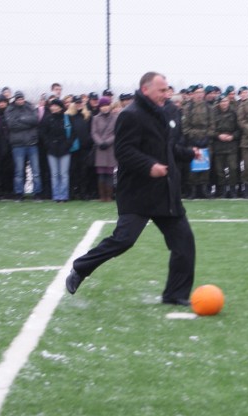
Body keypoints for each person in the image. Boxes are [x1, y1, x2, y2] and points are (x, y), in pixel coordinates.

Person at [66, 72, 201, 306]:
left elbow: (169, 148)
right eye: (161, 90)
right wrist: (149, 166)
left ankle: (175, 294)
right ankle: (80, 269)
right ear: (145, 89)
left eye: (167, 89)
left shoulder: (169, 112)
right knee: (124, 240)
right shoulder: (131, 115)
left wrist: (190, 153)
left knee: (184, 243)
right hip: (138, 192)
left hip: (165, 192)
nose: (166, 94)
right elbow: (124, 151)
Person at [5, 91, 43, 200]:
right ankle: (19, 193)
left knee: (36, 171)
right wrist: (27, 122)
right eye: (18, 99)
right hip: (18, 145)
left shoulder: (30, 107)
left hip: (32, 143)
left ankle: (37, 193)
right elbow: (11, 125)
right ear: (15, 99)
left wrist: (21, 119)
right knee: (19, 171)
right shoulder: (10, 109)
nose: (20, 101)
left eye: (21, 99)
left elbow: (35, 120)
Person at [40, 98, 74, 202]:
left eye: (55, 106)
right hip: (52, 150)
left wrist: (67, 144)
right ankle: (56, 196)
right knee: (54, 174)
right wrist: (48, 144)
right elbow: (43, 133)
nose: (53, 107)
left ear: (60, 107)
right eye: (52, 106)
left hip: (65, 150)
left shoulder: (67, 118)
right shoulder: (47, 119)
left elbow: (73, 133)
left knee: (64, 174)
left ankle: (64, 196)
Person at [212, 95, 241, 198]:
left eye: (226, 101)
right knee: (219, 170)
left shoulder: (234, 113)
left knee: (233, 168)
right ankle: (222, 190)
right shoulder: (213, 113)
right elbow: (210, 129)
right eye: (222, 101)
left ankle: (233, 189)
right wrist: (218, 135)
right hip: (218, 144)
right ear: (219, 103)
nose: (224, 103)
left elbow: (239, 129)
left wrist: (233, 136)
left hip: (231, 144)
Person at [91, 97, 118, 201]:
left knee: (110, 173)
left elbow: (116, 132)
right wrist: (100, 142)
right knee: (101, 173)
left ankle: (109, 196)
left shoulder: (115, 118)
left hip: (110, 148)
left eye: (106, 105)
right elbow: (94, 132)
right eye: (102, 106)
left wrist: (108, 142)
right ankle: (102, 196)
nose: (104, 107)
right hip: (100, 149)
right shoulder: (96, 118)